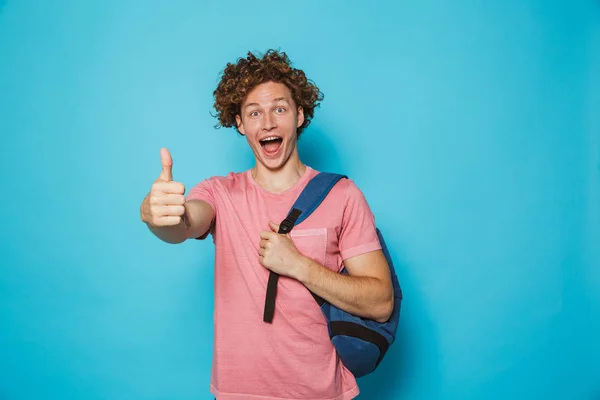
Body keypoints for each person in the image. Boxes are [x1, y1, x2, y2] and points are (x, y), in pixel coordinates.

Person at [140, 49, 394, 400]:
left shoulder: (343, 195)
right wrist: (159, 214)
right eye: (254, 113)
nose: (268, 123)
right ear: (241, 124)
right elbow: (185, 223)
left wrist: (300, 266)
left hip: (321, 393)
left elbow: (381, 302)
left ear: (299, 115)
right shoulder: (220, 192)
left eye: (279, 109)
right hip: (238, 393)